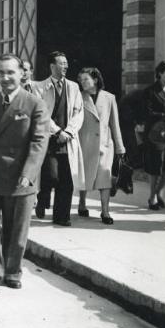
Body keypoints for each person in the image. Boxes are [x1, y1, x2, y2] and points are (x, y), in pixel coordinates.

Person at [0, 54, 49, 291]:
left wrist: (29, 172)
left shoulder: (35, 104)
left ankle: (13, 271)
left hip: (21, 176)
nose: (5, 78)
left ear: (21, 74)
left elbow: (39, 141)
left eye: (10, 72)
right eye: (1, 73)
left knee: (18, 229)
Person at [33, 51, 85, 226]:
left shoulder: (74, 87)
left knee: (67, 179)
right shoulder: (39, 87)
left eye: (66, 63)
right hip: (49, 139)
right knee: (52, 175)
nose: (66, 66)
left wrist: (69, 132)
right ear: (52, 66)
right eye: (62, 63)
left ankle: (62, 217)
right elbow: (41, 114)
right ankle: (43, 198)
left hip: (68, 140)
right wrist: (57, 132)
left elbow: (79, 112)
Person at [76, 68, 125, 225]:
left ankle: (105, 212)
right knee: (85, 175)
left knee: (105, 176)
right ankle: (82, 203)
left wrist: (120, 147)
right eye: (81, 80)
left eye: (86, 79)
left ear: (95, 80)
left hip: (104, 144)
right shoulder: (78, 97)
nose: (82, 82)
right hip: (84, 142)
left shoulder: (109, 98)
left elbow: (114, 124)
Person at [142, 61, 165, 210]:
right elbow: (146, 112)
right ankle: (152, 197)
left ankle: (157, 193)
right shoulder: (150, 91)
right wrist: (164, 115)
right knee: (156, 166)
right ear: (160, 73)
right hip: (155, 133)